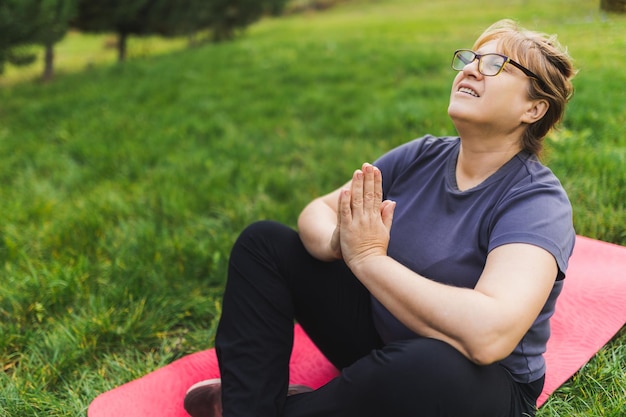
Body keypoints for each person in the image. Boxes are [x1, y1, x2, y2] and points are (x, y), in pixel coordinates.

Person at [184, 18, 577, 417]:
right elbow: (316, 212)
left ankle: (269, 404)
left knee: (428, 365)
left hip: (479, 383)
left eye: (496, 65)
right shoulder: (422, 155)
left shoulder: (536, 201)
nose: (472, 68)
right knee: (264, 243)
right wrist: (339, 242)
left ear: (534, 108)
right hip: (384, 340)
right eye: (470, 58)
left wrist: (369, 259)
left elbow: (488, 338)